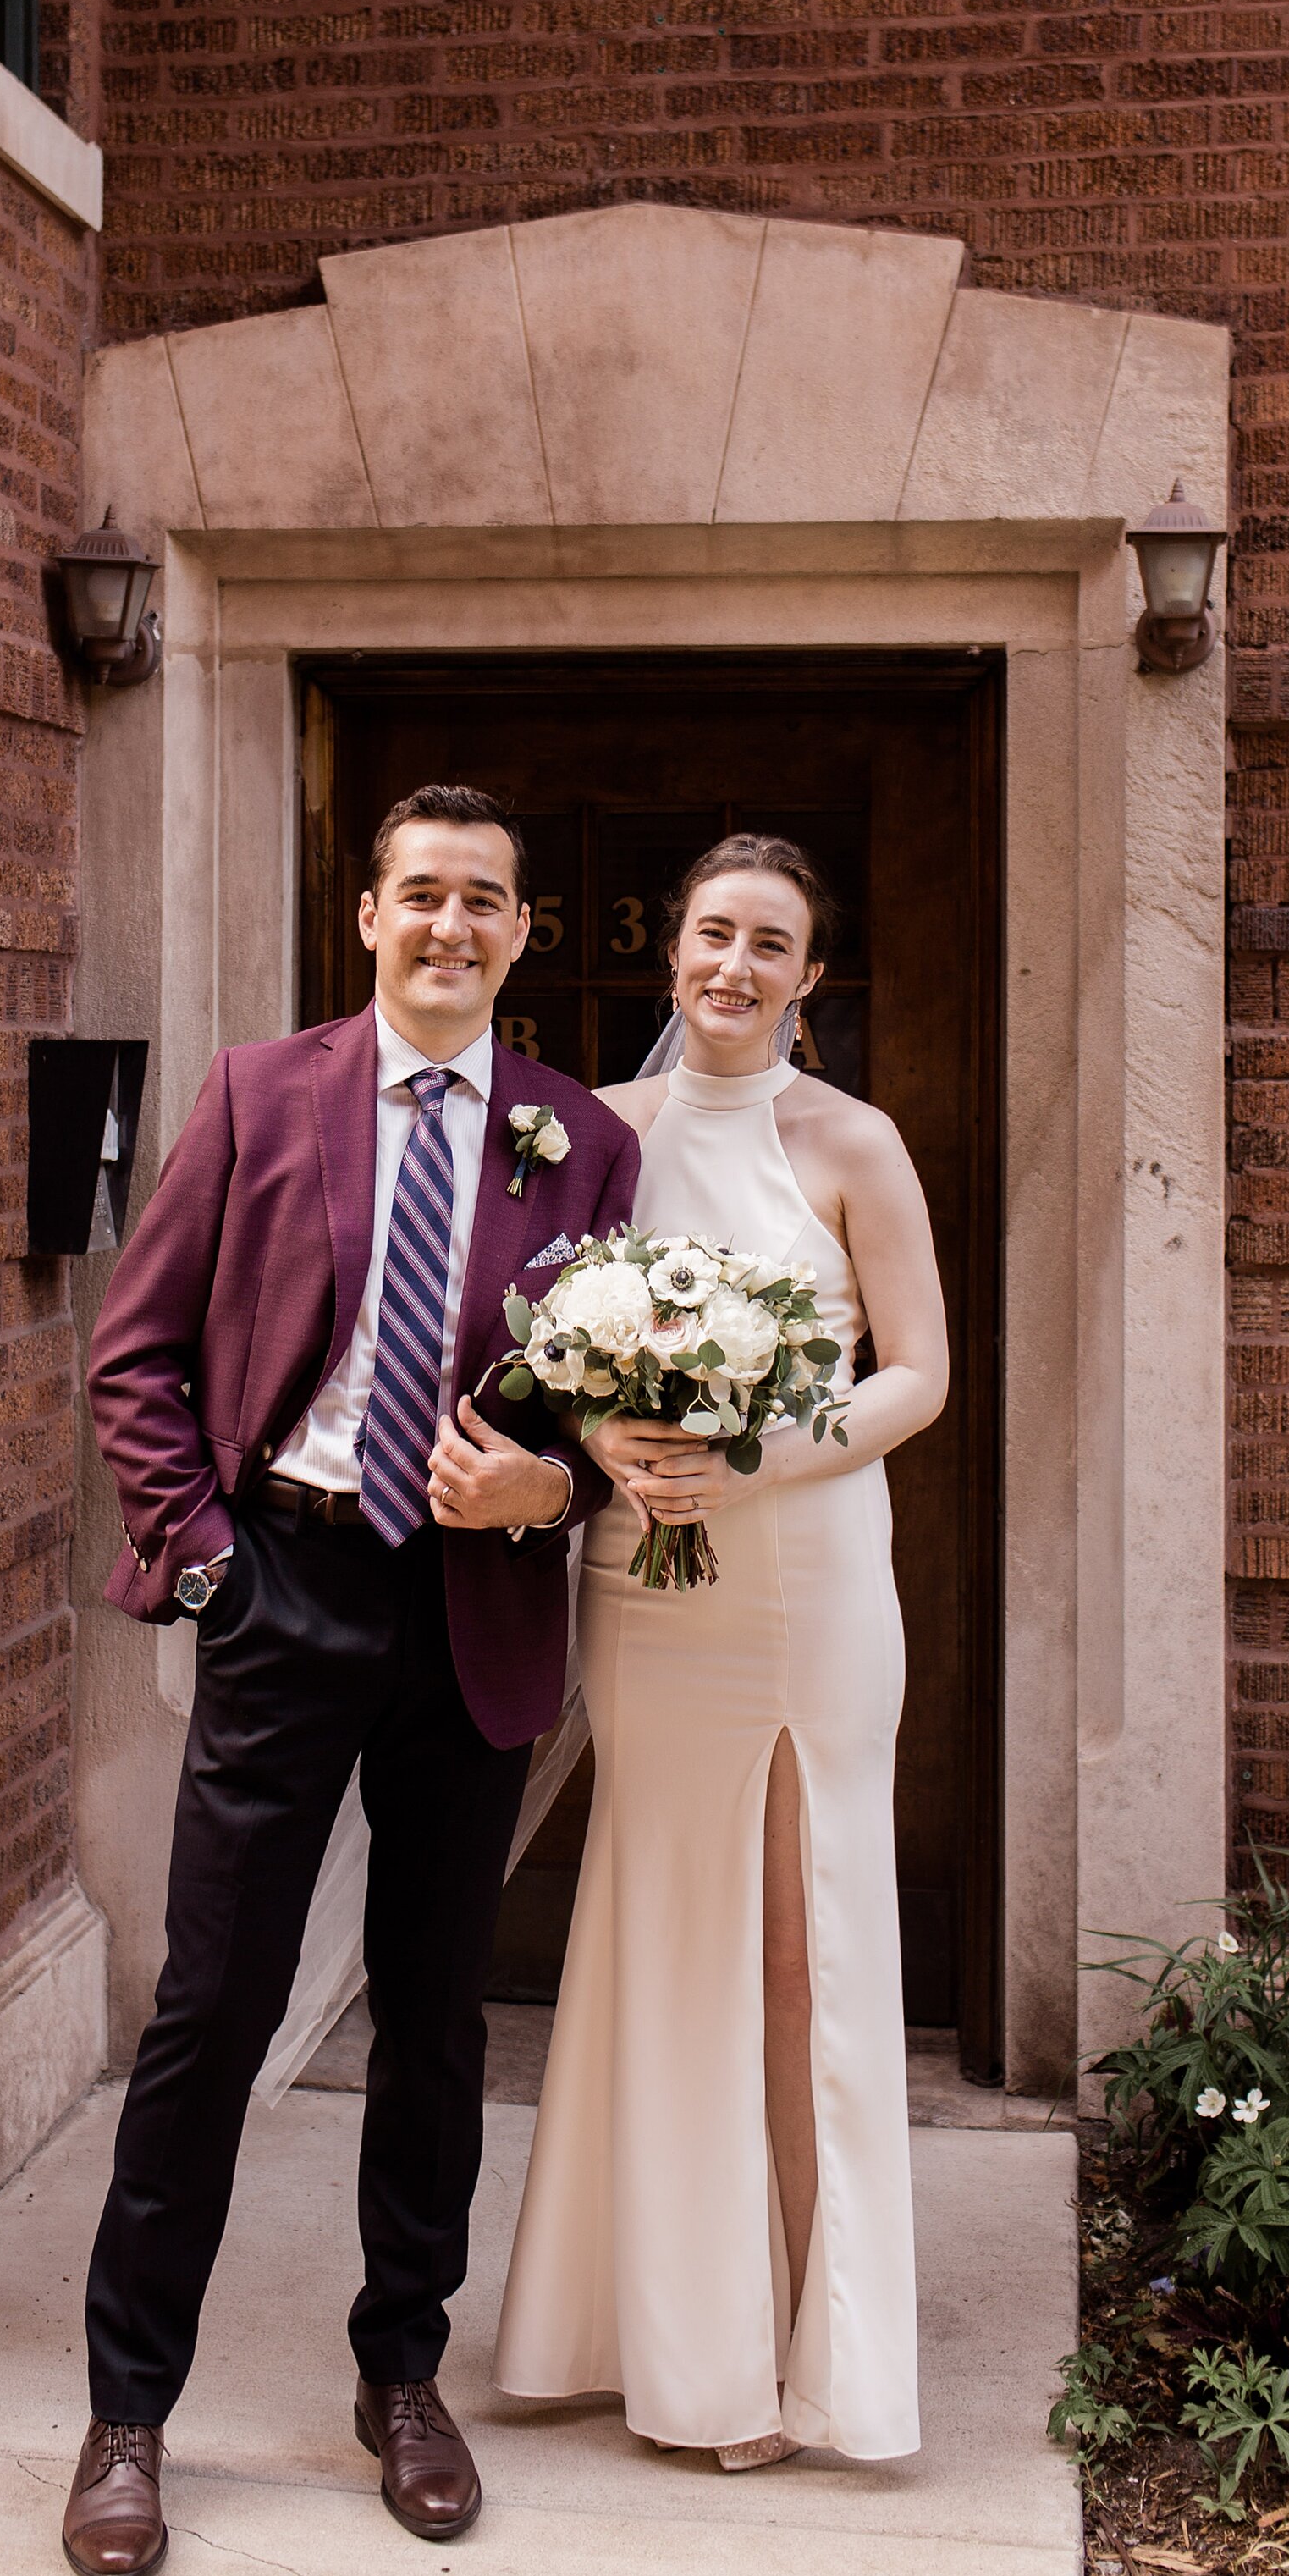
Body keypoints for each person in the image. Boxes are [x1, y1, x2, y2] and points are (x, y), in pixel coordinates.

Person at [63, 786, 638, 2576]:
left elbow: (629, 1399)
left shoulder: (580, 1140)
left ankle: (403, 2372)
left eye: (484, 899)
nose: (450, 925)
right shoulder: (258, 1095)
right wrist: (211, 1559)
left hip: (474, 1608)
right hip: (287, 1586)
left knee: (437, 2014)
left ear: (520, 932)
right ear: (368, 917)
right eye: (421, 896)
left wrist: (562, 1485)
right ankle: (127, 2409)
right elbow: (135, 1355)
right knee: (209, 2007)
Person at [494, 833, 950, 2468]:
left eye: (771, 944)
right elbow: (537, 1347)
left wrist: (762, 1449)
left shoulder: (854, 1141)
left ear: (808, 977)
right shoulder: (599, 1138)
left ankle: (805, 2350)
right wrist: (614, 1439)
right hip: (649, 1582)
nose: (733, 966)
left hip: (810, 1577)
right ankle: (676, 2348)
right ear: (673, 950)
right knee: (659, 1927)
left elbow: (921, 1377)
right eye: (711, 935)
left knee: (795, 1943)